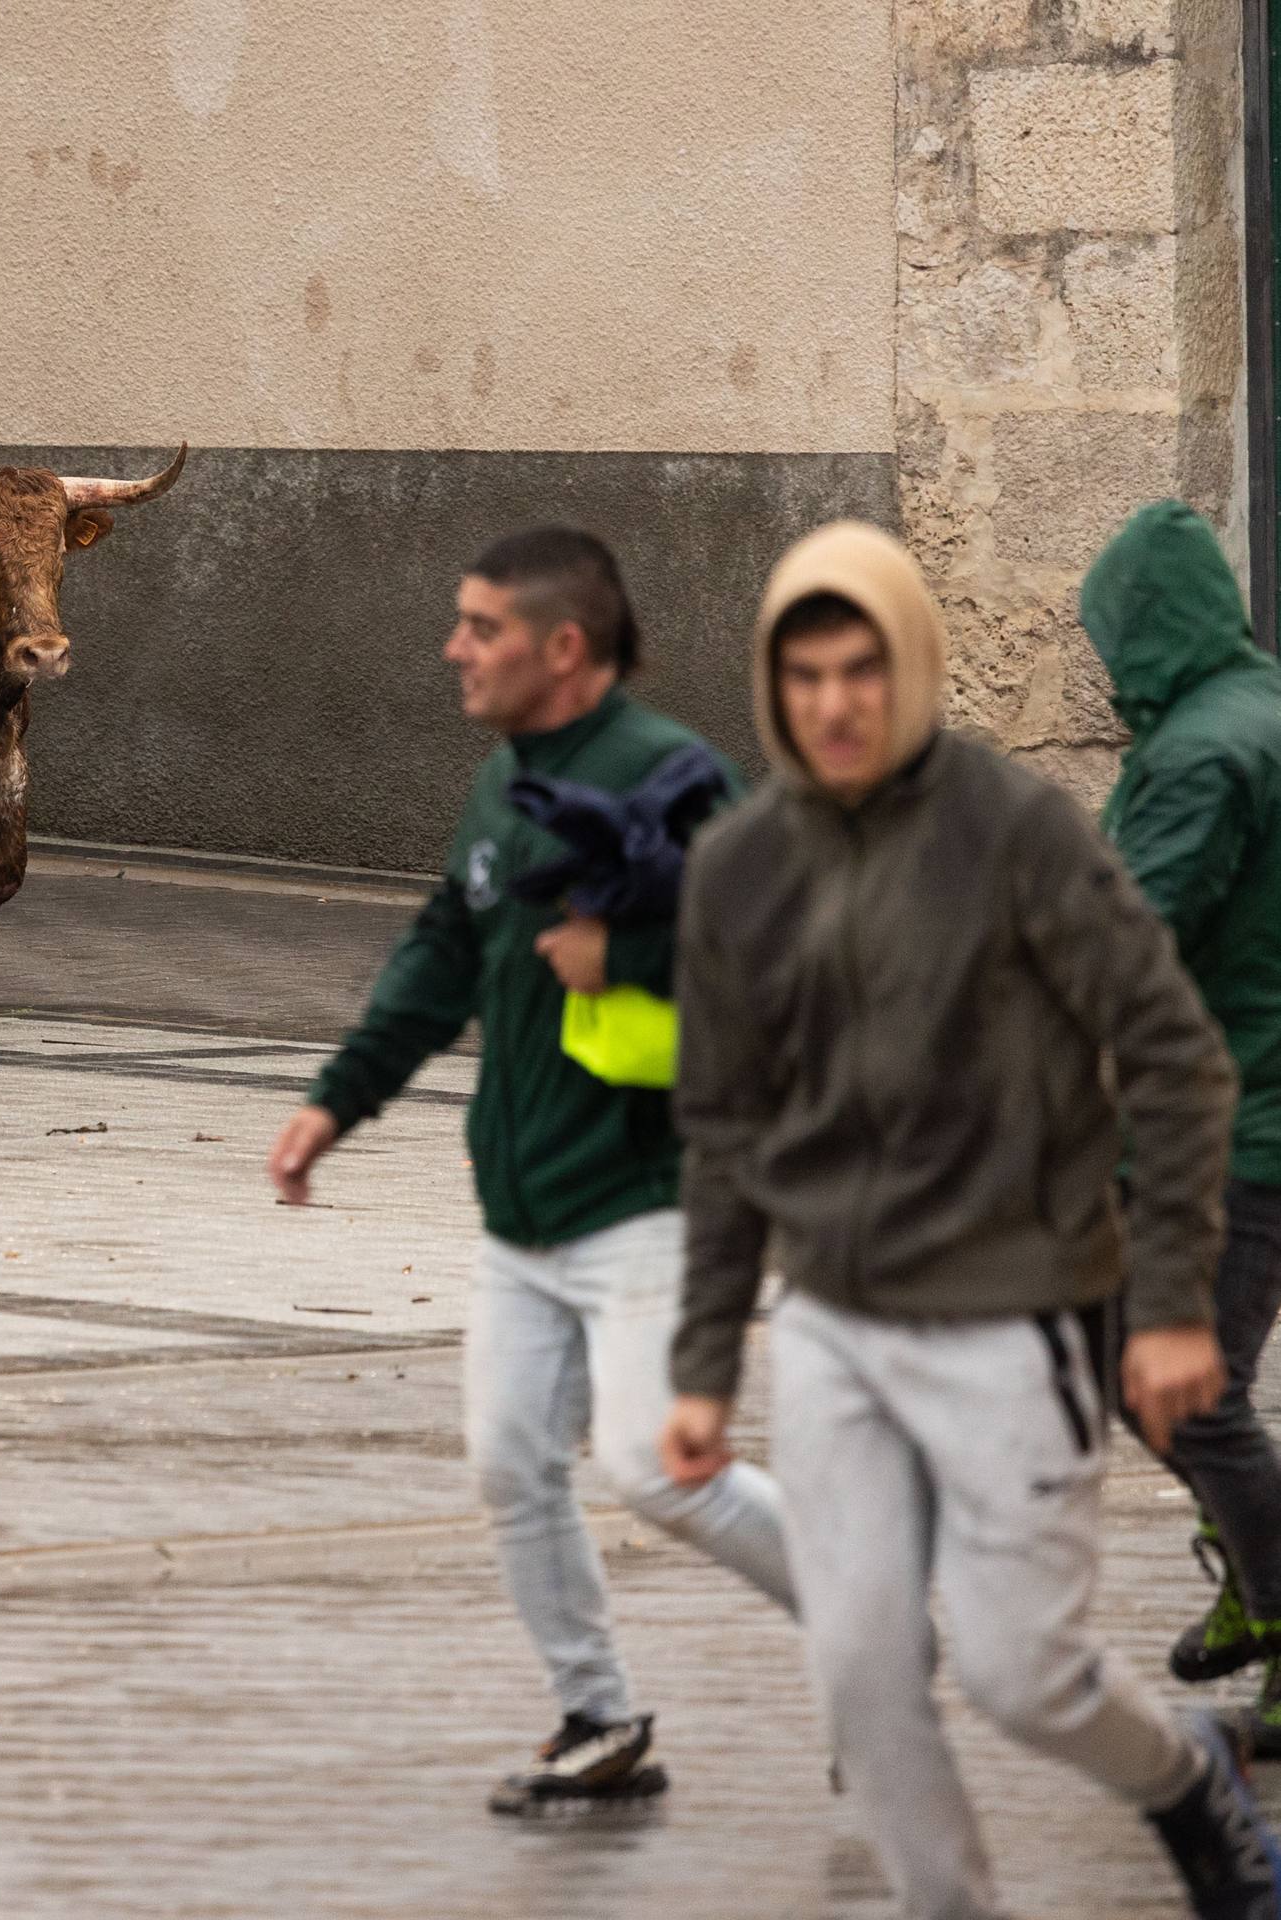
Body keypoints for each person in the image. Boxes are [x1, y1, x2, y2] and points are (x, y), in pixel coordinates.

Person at [662, 520, 1280, 1920]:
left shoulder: (1013, 833)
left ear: (913, 666)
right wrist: (701, 1364)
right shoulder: (738, 871)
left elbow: (1172, 1055)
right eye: (802, 674)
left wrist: (1168, 1304)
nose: (832, 704)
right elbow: (721, 1136)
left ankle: (1184, 1778)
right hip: (832, 1328)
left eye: (861, 670)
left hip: (1013, 1320)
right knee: (859, 1671)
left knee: (1021, 1675)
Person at [267, 527, 795, 1814]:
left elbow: (776, 957)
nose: (453, 647)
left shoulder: (675, 776)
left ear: (562, 647)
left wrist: (628, 959)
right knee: (510, 1463)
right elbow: (440, 952)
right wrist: (337, 1102)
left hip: (645, 1197)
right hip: (520, 1213)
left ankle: (879, 1619)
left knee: (660, 1472)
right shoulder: (503, 779)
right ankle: (596, 1718)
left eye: (480, 627)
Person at [1081, 502, 1281, 1743]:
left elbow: (1125, 943)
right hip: (1232, 1108)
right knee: (1149, 1368)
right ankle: (1253, 1578)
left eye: (1109, 641)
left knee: (1187, 1390)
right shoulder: (1251, 712)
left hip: (1232, 1125)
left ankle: (1273, 1603)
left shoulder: (1201, 755)